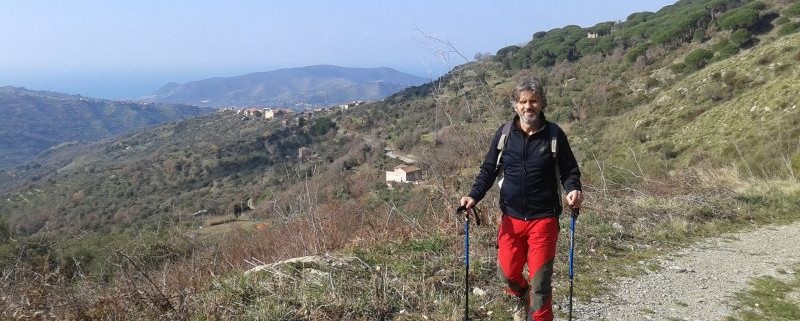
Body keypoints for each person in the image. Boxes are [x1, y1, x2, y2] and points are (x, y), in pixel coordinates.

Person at [460, 78, 582, 321]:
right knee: (506, 273)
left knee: (540, 284)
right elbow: (488, 170)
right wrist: (474, 195)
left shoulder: (554, 135)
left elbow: (570, 170)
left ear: (542, 104)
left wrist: (573, 189)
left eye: (534, 101)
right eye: (523, 101)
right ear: (515, 105)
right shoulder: (505, 134)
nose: (529, 106)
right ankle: (521, 294)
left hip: (544, 221)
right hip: (511, 219)